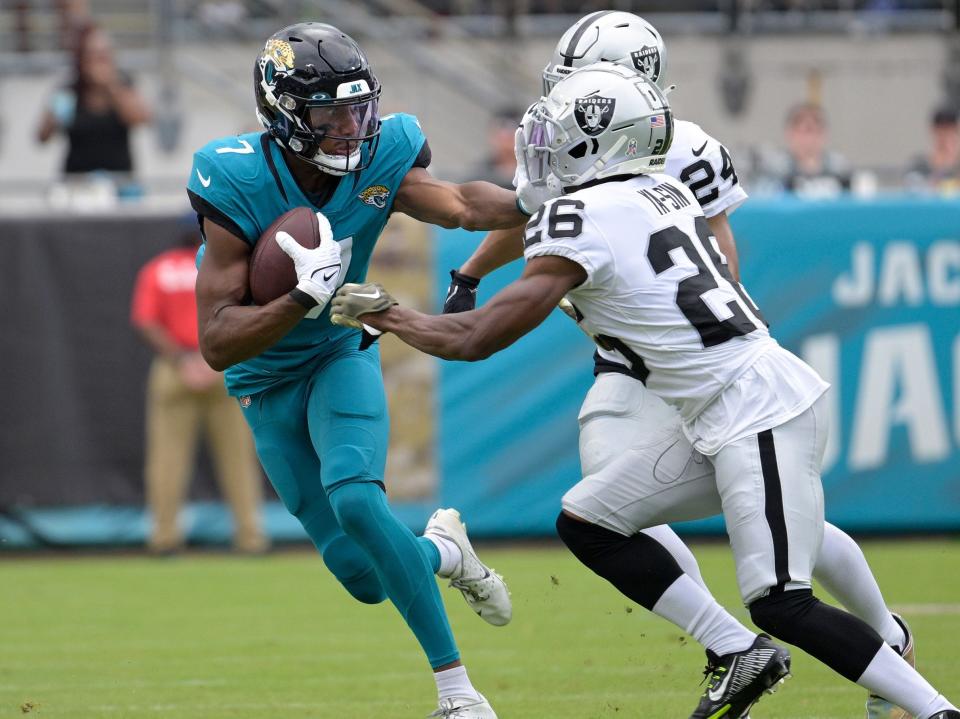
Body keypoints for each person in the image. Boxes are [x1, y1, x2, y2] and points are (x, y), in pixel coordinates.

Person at [330, 65, 959, 719]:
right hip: (722, 411)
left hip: (756, 410)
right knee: (589, 519)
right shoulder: (656, 190)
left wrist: (393, 315)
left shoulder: (585, 218)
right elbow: (500, 218)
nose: (542, 153)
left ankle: (934, 708)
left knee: (781, 600)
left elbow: (481, 335)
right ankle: (733, 646)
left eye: (562, 140)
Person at [188, 22, 527, 718]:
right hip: (261, 380)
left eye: (358, 107)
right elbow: (218, 343)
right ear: (284, 115)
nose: (351, 126)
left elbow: (462, 205)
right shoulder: (235, 178)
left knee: (358, 500)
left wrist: (542, 202)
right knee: (361, 574)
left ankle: (458, 693)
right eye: (329, 113)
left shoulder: (383, 152)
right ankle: (443, 551)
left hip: (340, 348)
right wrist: (298, 296)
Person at [131, 221, 268, 555]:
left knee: (167, 459)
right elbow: (248, 313)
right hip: (225, 364)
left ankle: (164, 538)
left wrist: (181, 361)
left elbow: (145, 321)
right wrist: (210, 363)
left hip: (174, 369)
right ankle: (250, 538)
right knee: (237, 457)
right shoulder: (228, 267)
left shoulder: (159, 268)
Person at [36, 22, 151, 188]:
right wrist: (54, 117)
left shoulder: (123, 84)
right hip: (76, 183)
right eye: (93, 56)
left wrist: (111, 86)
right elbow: (42, 136)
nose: (99, 62)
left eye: (104, 55)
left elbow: (141, 118)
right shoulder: (69, 90)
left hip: (120, 183)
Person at [757, 102, 853, 198]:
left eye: (816, 131)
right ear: (789, 133)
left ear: (824, 134)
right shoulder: (775, 169)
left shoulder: (839, 168)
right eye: (804, 132)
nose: (809, 139)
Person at [904, 105, 960, 193]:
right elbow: (915, 192)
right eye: (941, 129)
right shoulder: (919, 165)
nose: (946, 134)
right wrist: (942, 165)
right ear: (933, 130)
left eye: (951, 129)